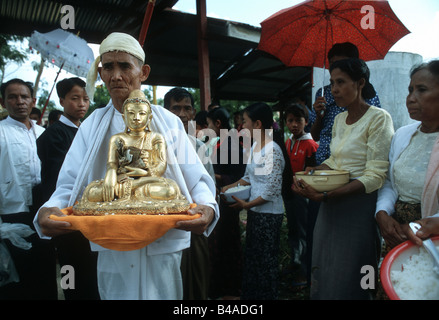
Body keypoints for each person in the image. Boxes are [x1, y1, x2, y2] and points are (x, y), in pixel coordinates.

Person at [33, 32, 219, 300]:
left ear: (143, 72)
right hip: (112, 239)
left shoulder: (167, 121)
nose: (116, 75)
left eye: (124, 66)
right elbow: (71, 184)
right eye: (108, 67)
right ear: (100, 72)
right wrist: (49, 208)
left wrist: (207, 206)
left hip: (162, 239)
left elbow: (195, 178)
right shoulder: (93, 124)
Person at [292, 58, 394, 300]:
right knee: (326, 265)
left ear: (360, 83)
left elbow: (375, 175)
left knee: (356, 267)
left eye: (340, 82)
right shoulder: (338, 119)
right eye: (331, 83)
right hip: (331, 203)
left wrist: (326, 194)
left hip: (359, 204)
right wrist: (312, 172)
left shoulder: (379, 118)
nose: (334, 90)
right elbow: (335, 162)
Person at [36, 77, 98, 300]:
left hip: (88, 217)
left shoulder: (88, 132)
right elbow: (59, 180)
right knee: (69, 273)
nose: (82, 104)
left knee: (89, 276)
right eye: (75, 98)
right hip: (66, 216)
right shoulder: (53, 135)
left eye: (85, 99)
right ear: (62, 101)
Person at [222, 102, 290, 300]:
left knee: (265, 262)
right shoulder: (256, 147)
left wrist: (246, 205)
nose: (242, 126)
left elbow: (272, 190)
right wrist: (229, 187)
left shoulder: (272, 150)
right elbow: (249, 177)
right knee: (253, 259)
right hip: (255, 212)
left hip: (268, 214)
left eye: (245, 122)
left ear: (258, 124)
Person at [0, 79, 57, 299]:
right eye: (12, 97)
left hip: (42, 210)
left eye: (24, 97)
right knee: (18, 277)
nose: (19, 102)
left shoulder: (45, 133)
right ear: (3, 101)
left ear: (33, 101)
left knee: (45, 270)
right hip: (12, 213)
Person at [375, 60, 439, 252]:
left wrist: (427, 224)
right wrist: (383, 213)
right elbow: (390, 182)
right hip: (397, 235)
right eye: (410, 90)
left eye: (421, 90)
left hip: (430, 238)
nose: (410, 98)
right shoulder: (403, 135)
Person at [164, 87, 215, 300]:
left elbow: (210, 187)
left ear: (194, 113)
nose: (182, 114)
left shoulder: (199, 147)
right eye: (176, 108)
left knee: (198, 276)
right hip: (169, 223)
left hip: (196, 221)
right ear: (165, 111)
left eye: (187, 108)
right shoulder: (158, 145)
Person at [206, 106, 246, 299]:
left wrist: (213, 175)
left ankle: (231, 291)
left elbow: (238, 176)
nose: (208, 128)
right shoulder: (221, 143)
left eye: (209, 124)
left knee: (228, 247)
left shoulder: (231, 145)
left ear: (218, 124)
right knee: (220, 247)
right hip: (221, 201)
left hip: (229, 203)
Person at [283, 103, 318, 287]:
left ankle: (305, 271)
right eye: (290, 121)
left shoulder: (311, 144)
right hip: (290, 192)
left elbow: (313, 171)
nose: (294, 124)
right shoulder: (289, 142)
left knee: (304, 231)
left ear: (306, 121)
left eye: (298, 120)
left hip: (303, 195)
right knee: (293, 229)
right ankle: (295, 262)